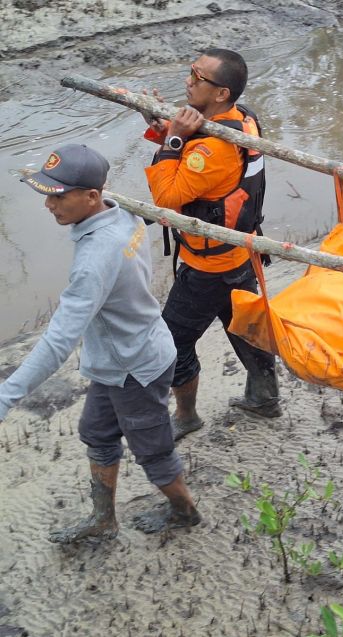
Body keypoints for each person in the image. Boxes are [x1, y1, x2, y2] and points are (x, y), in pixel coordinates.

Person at [0, 144, 200, 542]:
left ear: (91, 196)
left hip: (134, 367)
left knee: (153, 452)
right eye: (47, 194)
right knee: (96, 432)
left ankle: (185, 512)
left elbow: (59, 339)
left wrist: (8, 395)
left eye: (59, 196)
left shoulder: (95, 257)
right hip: (125, 353)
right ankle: (103, 519)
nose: (49, 206)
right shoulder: (119, 209)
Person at [143, 48, 280, 441]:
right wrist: (163, 128)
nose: (188, 80)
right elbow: (192, 143)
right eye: (190, 71)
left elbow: (168, 197)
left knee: (171, 341)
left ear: (221, 93)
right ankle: (264, 397)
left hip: (208, 266)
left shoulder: (215, 150)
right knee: (241, 323)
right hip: (240, 250)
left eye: (197, 77)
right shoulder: (243, 118)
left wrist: (170, 140)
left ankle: (185, 417)